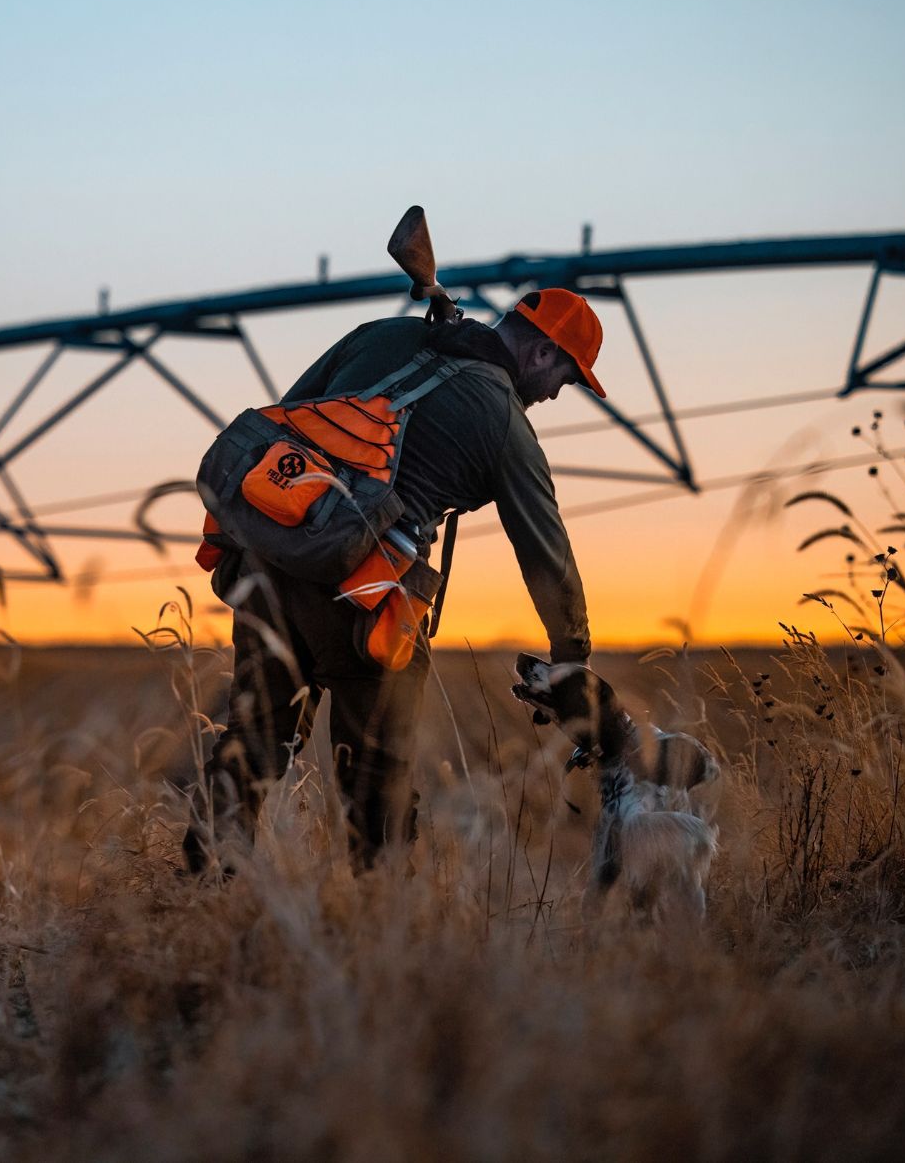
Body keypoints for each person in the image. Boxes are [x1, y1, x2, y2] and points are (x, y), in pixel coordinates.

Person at [184, 288, 606, 873]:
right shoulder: (506, 422)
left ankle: (200, 897)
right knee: (376, 773)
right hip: (369, 598)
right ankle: (378, 919)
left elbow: (289, 423)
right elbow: (546, 553)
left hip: (271, 567)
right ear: (540, 352)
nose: (558, 392)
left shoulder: (384, 333)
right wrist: (571, 656)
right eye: (567, 376)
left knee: (252, 743)